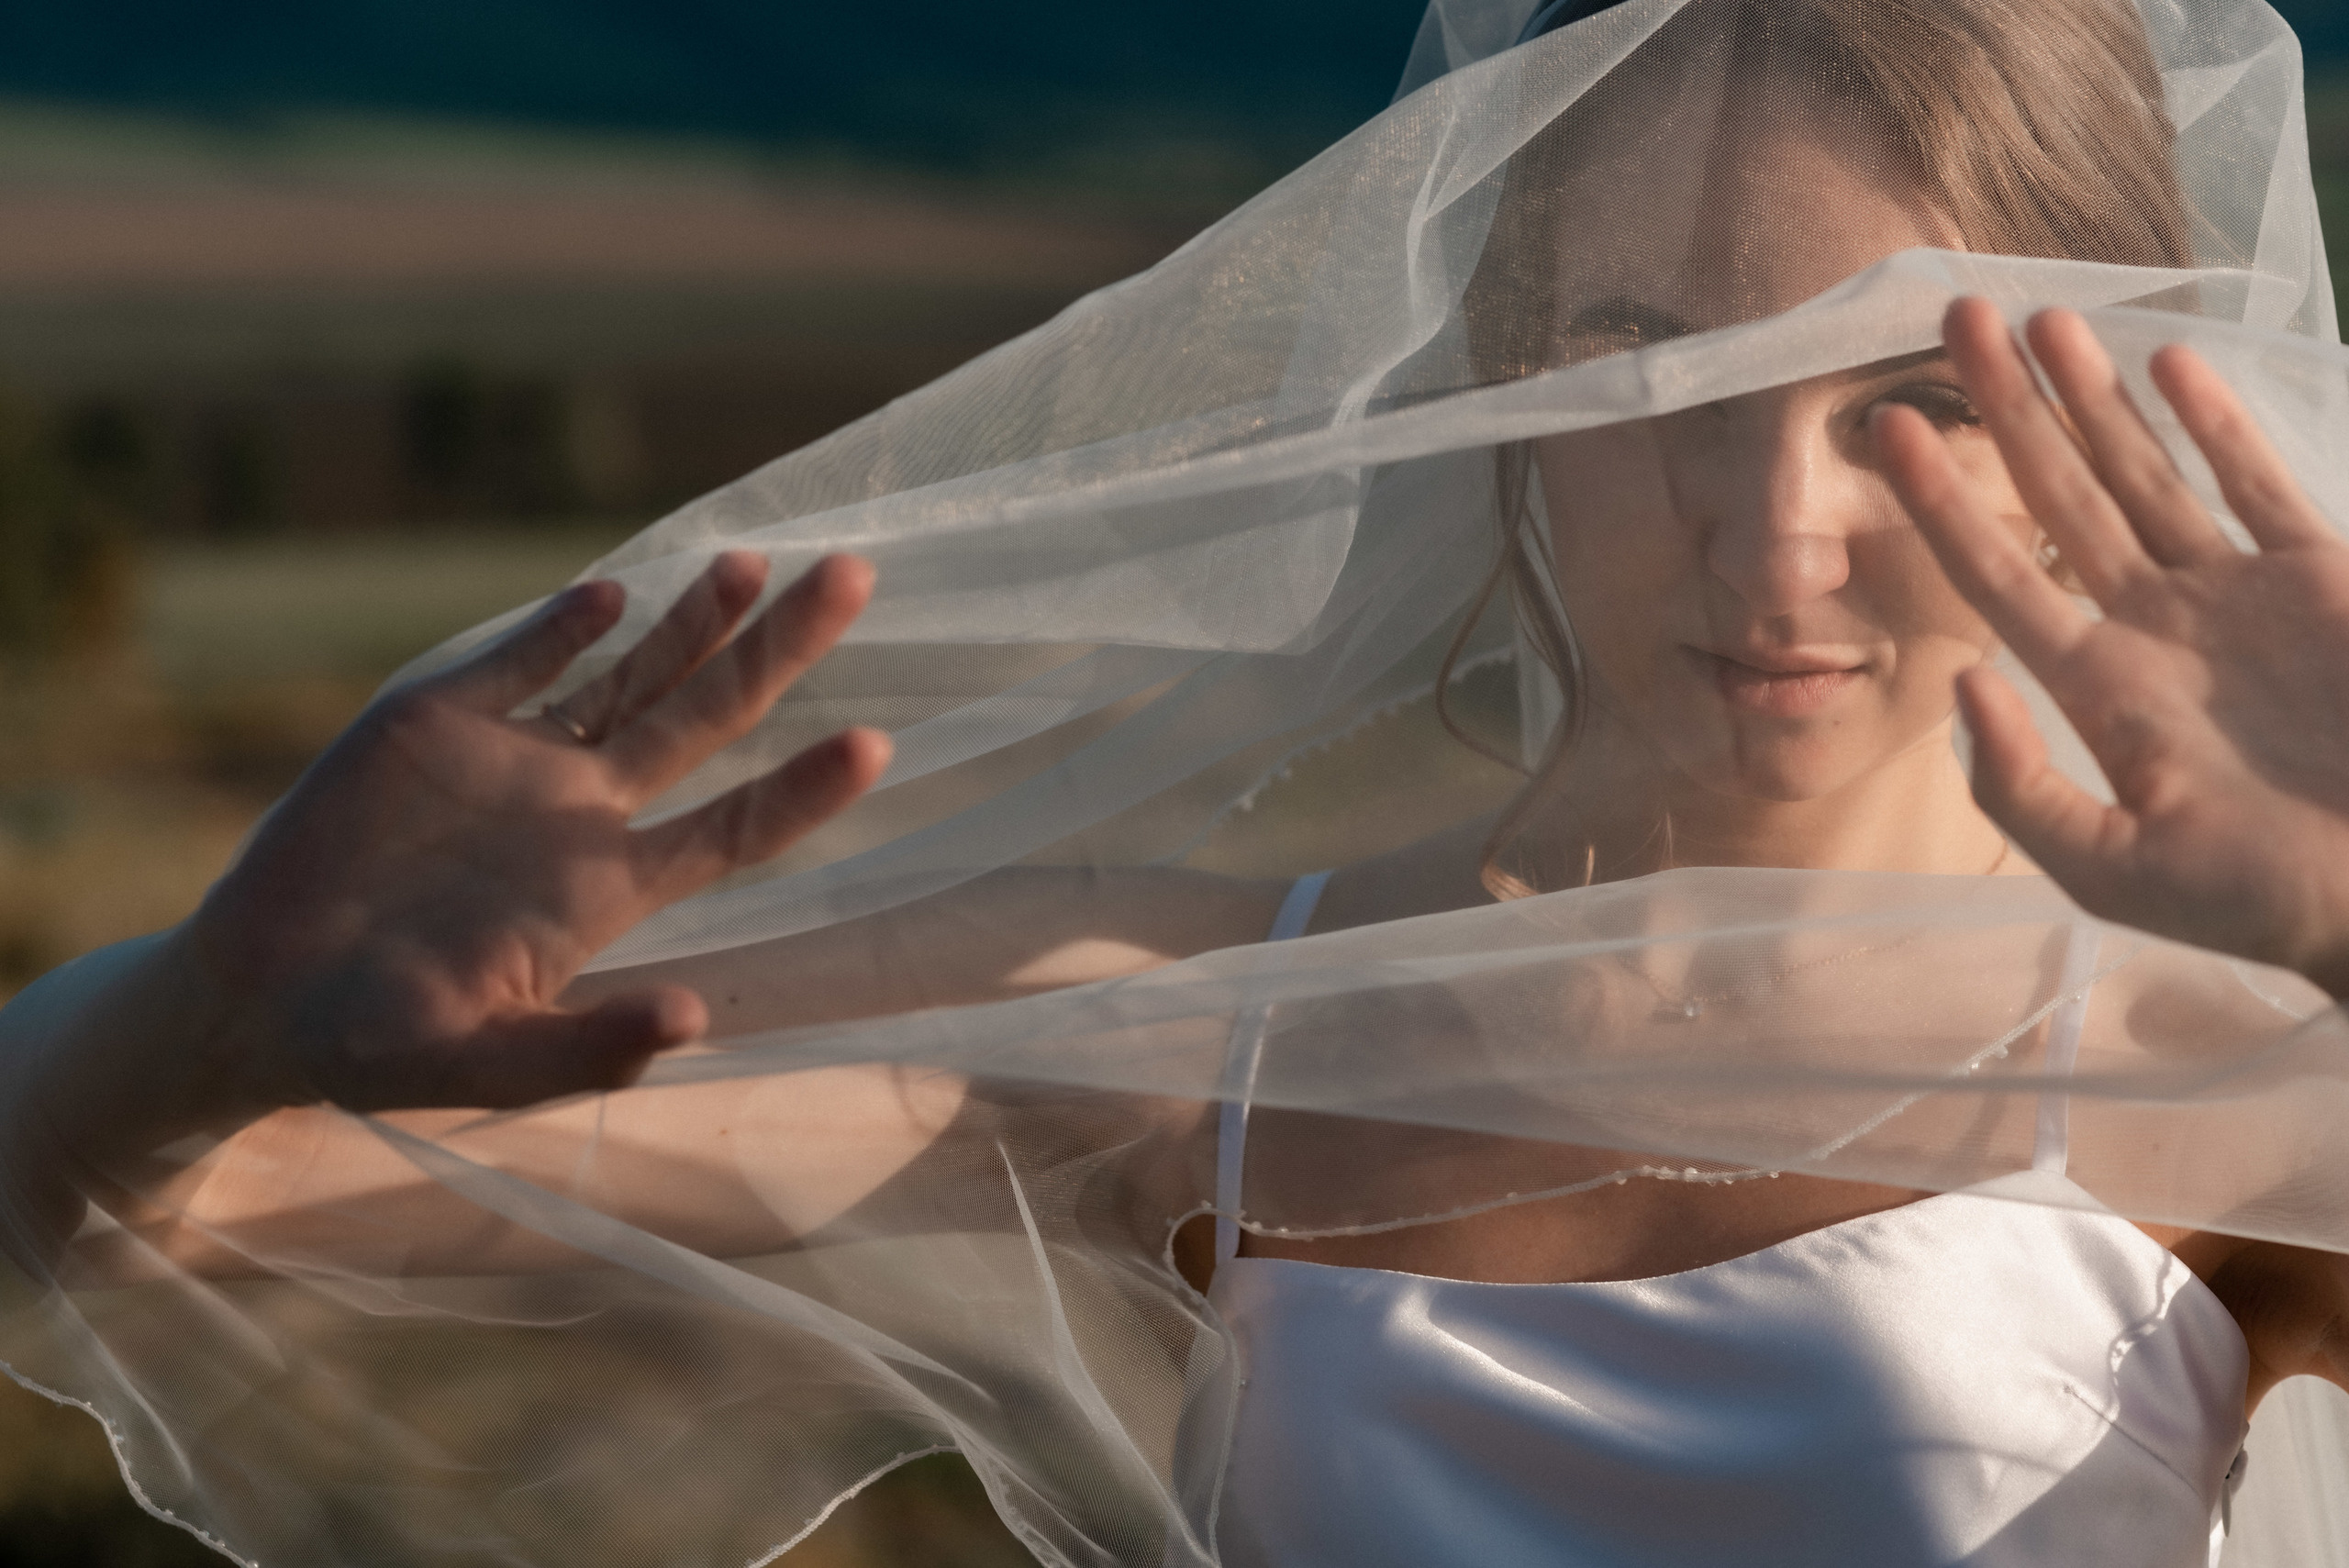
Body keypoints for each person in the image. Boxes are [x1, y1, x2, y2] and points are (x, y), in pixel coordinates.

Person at [2, 0, 2347, 1562]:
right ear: (1499, 377)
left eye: (1903, 400)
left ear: (2111, 403)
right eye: (1640, 379)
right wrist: (196, 1018)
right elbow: (124, 1218)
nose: (1766, 532)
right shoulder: (1186, 1024)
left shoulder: (2226, 1066)